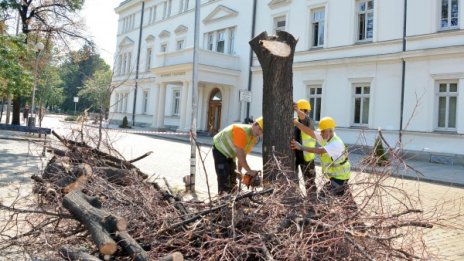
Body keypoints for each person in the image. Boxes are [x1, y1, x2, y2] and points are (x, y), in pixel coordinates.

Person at [291, 117, 351, 197]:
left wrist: (301, 147)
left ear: (330, 130)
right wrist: (296, 123)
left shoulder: (336, 143)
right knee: (347, 202)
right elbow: (311, 133)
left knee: (322, 198)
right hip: (338, 177)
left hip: (340, 178)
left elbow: (319, 150)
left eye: (323, 131)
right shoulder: (327, 138)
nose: (321, 133)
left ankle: (318, 209)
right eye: (321, 131)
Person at [212, 117, 263, 195]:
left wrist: (239, 171)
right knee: (224, 177)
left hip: (230, 154)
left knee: (233, 177)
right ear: (254, 124)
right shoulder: (241, 131)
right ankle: (223, 199)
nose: (259, 133)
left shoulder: (253, 139)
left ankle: (232, 197)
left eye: (262, 131)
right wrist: (250, 171)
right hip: (220, 149)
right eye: (259, 129)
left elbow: (243, 156)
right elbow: (240, 156)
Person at [293, 99, 317, 196]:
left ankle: (313, 203)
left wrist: (297, 110)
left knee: (310, 184)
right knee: (293, 182)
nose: (302, 113)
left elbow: (304, 119)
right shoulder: (294, 122)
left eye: (303, 111)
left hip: (307, 158)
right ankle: (297, 201)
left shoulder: (309, 122)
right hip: (295, 157)